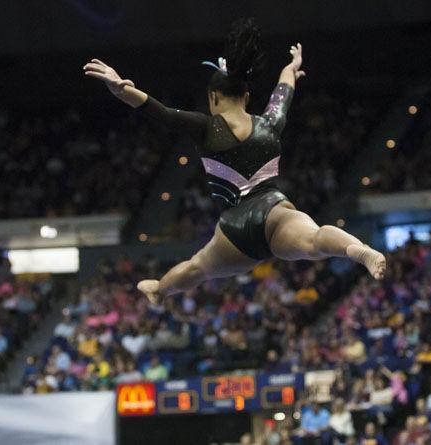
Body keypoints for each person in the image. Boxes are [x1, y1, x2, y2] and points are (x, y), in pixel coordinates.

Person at [83, 18, 386, 303]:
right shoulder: (269, 124)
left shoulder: (206, 127)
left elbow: (159, 111)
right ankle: (359, 250)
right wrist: (291, 68)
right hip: (275, 211)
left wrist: (121, 87)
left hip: (235, 230)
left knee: (197, 268)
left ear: (213, 98)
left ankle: (159, 289)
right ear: (246, 97)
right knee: (315, 240)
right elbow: (283, 94)